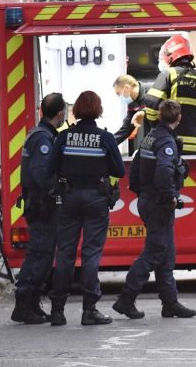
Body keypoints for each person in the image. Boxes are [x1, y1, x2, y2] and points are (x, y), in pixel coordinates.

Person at [112, 100, 196, 320]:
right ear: (178, 119)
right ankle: (126, 299)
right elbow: (164, 171)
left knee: (166, 253)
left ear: (159, 116)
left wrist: (143, 193)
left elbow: (137, 168)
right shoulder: (166, 141)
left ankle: (170, 303)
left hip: (149, 200)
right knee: (153, 252)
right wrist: (169, 197)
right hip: (159, 204)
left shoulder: (149, 137)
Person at [47, 91, 125, 326]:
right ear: (98, 110)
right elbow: (119, 171)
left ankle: (58, 311)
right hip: (96, 199)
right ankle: (89, 310)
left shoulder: (63, 137)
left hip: (68, 198)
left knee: (65, 254)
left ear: (76, 110)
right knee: (91, 253)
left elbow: (51, 166)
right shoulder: (105, 138)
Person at [11, 93, 66, 325]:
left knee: (42, 254)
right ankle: (24, 304)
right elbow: (42, 174)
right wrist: (57, 190)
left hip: (40, 204)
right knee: (40, 254)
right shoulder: (43, 138)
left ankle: (31, 303)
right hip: (42, 205)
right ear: (60, 113)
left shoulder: (42, 134)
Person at [144, 35, 196, 154]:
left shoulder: (169, 74)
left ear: (170, 57)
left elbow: (152, 103)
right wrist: (195, 124)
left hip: (170, 141)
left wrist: (158, 125)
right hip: (195, 144)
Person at [112, 74, 148, 146]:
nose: (119, 97)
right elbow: (126, 128)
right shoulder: (132, 102)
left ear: (126, 88)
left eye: (118, 94)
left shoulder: (153, 91)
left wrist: (144, 112)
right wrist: (108, 142)